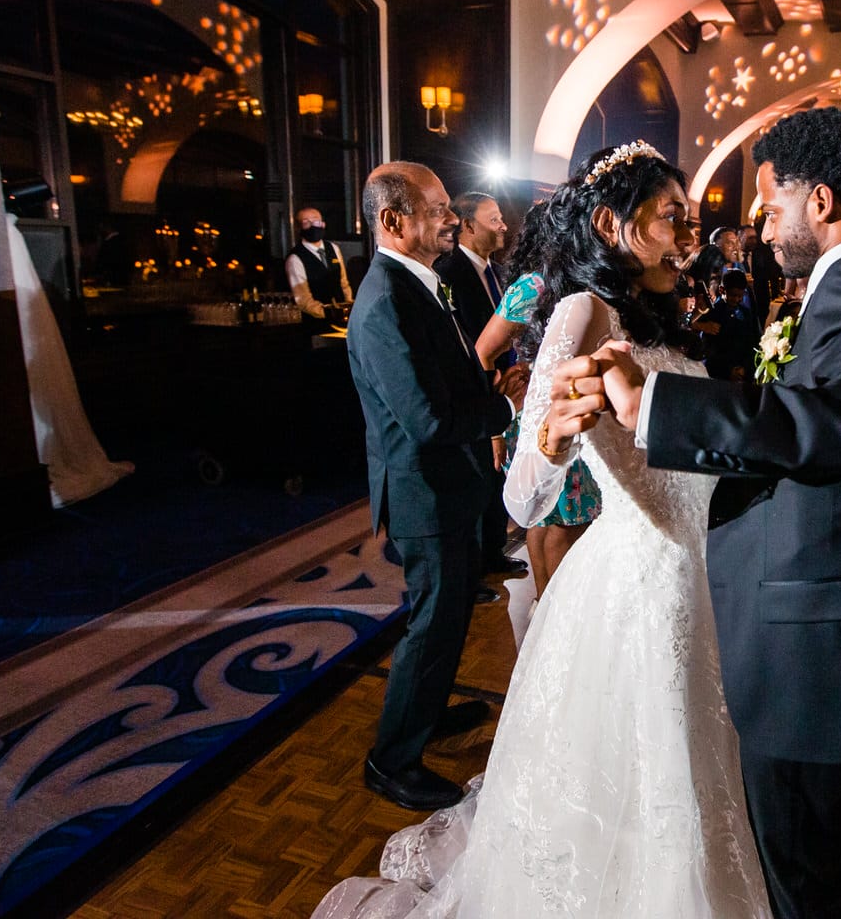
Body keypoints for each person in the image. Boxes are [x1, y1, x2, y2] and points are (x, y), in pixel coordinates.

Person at [315, 142, 771, 918]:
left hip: (698, 573)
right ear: (610, 222)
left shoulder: (653, 311)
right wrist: (552, 436)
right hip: (635, 581)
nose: (687, 236)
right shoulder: (578, 310)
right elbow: (524, 498)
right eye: (671, 218)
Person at [579, 107, 841, 918]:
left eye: (771, 200)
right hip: (839, 617)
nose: (761, 219)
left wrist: (659, 408)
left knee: (814, 878)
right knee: (824, 857)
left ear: (818, 201)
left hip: (821, 646)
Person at [343, 162, 518, 811]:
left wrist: (487, 390)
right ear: (394, 222)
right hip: (423, 490)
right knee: (431, 624)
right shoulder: (386, 300)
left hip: (448, 482)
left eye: (449, 207)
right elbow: (424, 418)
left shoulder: (421, 283)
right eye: (437, 208)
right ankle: (391, 761)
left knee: (444, 624)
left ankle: (425, 714)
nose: (450, 219)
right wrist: (502, 413)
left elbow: (448, 377)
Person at [473, 203, 601, 597]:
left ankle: (545, 611)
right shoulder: (534, 286)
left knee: (554, 518)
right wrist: (494, 424)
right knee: (559, 520)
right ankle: (552, 608)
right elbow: (483, 351)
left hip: (577, 405)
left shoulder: (589, 280)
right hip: (545, 416)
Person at [436, 191, 527, 580]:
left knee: (497, 477)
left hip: (504, 389)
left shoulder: (500, 272)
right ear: (468, 225)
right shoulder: (449, 272)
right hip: (473, 392)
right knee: (476, 481)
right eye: (494, 220)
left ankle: (493, 553)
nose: (504, 225)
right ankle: (472, 570)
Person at [286, 206, 354, 326]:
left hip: (343, 320)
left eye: (316, 221)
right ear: (299, 227)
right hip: (315, 322)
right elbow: (303, 300)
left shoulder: (333, 248)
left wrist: (349, 307)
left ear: (323, 224)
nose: (313, 225)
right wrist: (329, 313)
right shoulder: (295, 258)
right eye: (306, 222)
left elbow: (343, 283)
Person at [695, 267, 758, 380]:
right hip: (720, 371)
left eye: (741, 296)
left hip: (743, 370)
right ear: (722, 290)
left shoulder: (745, 312)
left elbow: (751, 342)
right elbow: (710, 349)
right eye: (733, 295)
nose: (737, 299)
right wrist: (728, 370)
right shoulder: (711, 313)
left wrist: (745, 368)